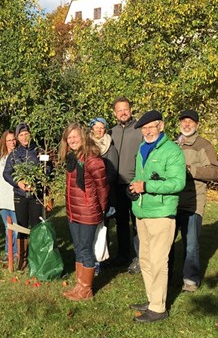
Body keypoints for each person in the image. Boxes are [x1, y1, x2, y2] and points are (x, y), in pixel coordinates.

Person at [129, 110, 186, 323]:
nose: (147, 131)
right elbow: (138, 177)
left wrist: (147, 186)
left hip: (162, 213)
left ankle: (158, 309)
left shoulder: (172, 151)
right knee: (144, 258)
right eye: (144, 128)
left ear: (161, 126)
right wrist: (133, 188)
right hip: (142, 212)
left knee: (158, 260)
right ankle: (152, 299)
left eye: (151, 127)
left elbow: (177, 183)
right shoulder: (143, 148)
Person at [170, 110, 218, 292]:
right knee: (168, 242)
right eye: (183, 121)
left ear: (197, 125)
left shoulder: (203, 145)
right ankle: (167, 276)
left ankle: (190, 280)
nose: (186, 124)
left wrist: (191, 169)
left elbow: (215, 171)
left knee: (191, 243)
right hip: (172, 201)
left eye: (190, 122)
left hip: (194, 201)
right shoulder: (174, 144)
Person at [59, 123, 108, 301]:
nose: (72, 140)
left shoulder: (93, 159)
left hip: (87, 211)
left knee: (86, 249)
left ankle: (86, 289)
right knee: (78, 248)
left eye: (75, 136)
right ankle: (79, 285)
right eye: (69, 138)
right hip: (73, 211)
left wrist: (101, 209)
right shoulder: (72, 159)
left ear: (83, 137)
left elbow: (102, 187)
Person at [4, 123, 49, 269]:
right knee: (21, 226)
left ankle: (36, 258)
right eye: (21, 135)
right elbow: (6, 173)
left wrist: (40, 177)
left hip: (36, 195)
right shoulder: (15, 154)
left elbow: (48, 168)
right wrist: (18, 183)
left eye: (26, 134)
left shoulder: (39, 151)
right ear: (17, 137)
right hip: (20, 196)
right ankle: (22, 259)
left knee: (37, 226)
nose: (24, 137)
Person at [109, 97, 142, 273]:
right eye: (119, 110)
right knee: (121, 222)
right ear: (115, 113)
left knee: (137, 222)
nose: (123, 112)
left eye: (125, 109)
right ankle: (123, 255)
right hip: (117, 185)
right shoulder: (111, 133)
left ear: (130, 110)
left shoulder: (139, 130)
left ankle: (139, 258)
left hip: (134, 184)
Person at [89, 117, 118, 273]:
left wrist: (99, 184)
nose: (99, 130)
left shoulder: (110, 148)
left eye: (102, 128)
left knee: (102, 227)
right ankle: (90, 258)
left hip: (103, 192)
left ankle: (100, 261)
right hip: (88, 193)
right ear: (91, 129)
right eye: (96, 127)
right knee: (90, 228)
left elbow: (112, 173)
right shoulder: (86, 146)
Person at [0, 130, 18, 264]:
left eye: (13, 139)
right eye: (9, 140)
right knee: (7, 227)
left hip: (13, 197)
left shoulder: (19, 156)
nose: (12, 142)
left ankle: (15, 253)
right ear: (5, 142)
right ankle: (8, 251)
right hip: (2, 198)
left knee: (14, 227)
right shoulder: (2, 157)